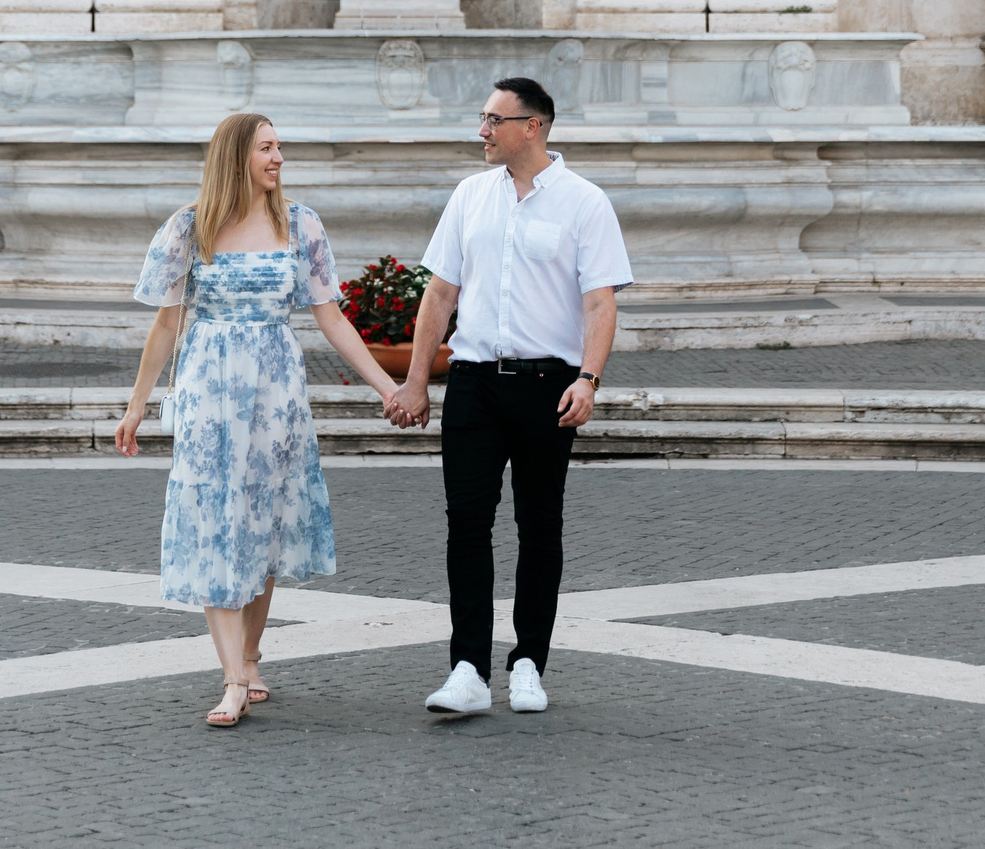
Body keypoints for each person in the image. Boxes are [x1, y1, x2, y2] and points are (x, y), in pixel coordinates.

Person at [115, 112, 407, 728]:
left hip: (275, 391)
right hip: (209, 391)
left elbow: (331, 317)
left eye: (279, 147)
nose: (278, 158)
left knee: (263, 519)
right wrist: (138, 403)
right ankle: (231, 681)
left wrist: (389, 388)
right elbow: (166, 322)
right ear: (236, 157)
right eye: (266, 148)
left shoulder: (300, 223)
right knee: (216, 521)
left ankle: (249, 657)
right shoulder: (190, 226)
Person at [387, 75, 630, 716]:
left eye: (494, 120)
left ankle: (528, 664)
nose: (483, 131)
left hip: (549, 386)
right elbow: (440, 293)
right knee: (466, 523)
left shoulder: (584, 202)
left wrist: (589, 379)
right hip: (473, 382)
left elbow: (599, 302)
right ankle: (467, 668)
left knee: (538, 525)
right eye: (483, 118)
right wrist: (417, 379)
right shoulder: (470, 195)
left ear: (533, 126)